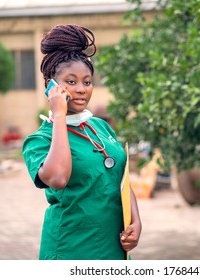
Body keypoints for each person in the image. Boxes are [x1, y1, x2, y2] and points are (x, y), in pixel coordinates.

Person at [22, 24, 141, 260]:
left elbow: (121, 178)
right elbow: (57, 178)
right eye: (71, 81)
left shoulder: (101, 127)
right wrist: (59, 115)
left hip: (113, 247)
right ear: (51, 86)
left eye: (87, 82)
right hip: (70, 249)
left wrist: (136, 220)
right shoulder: (39, 140)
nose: (81, 90)